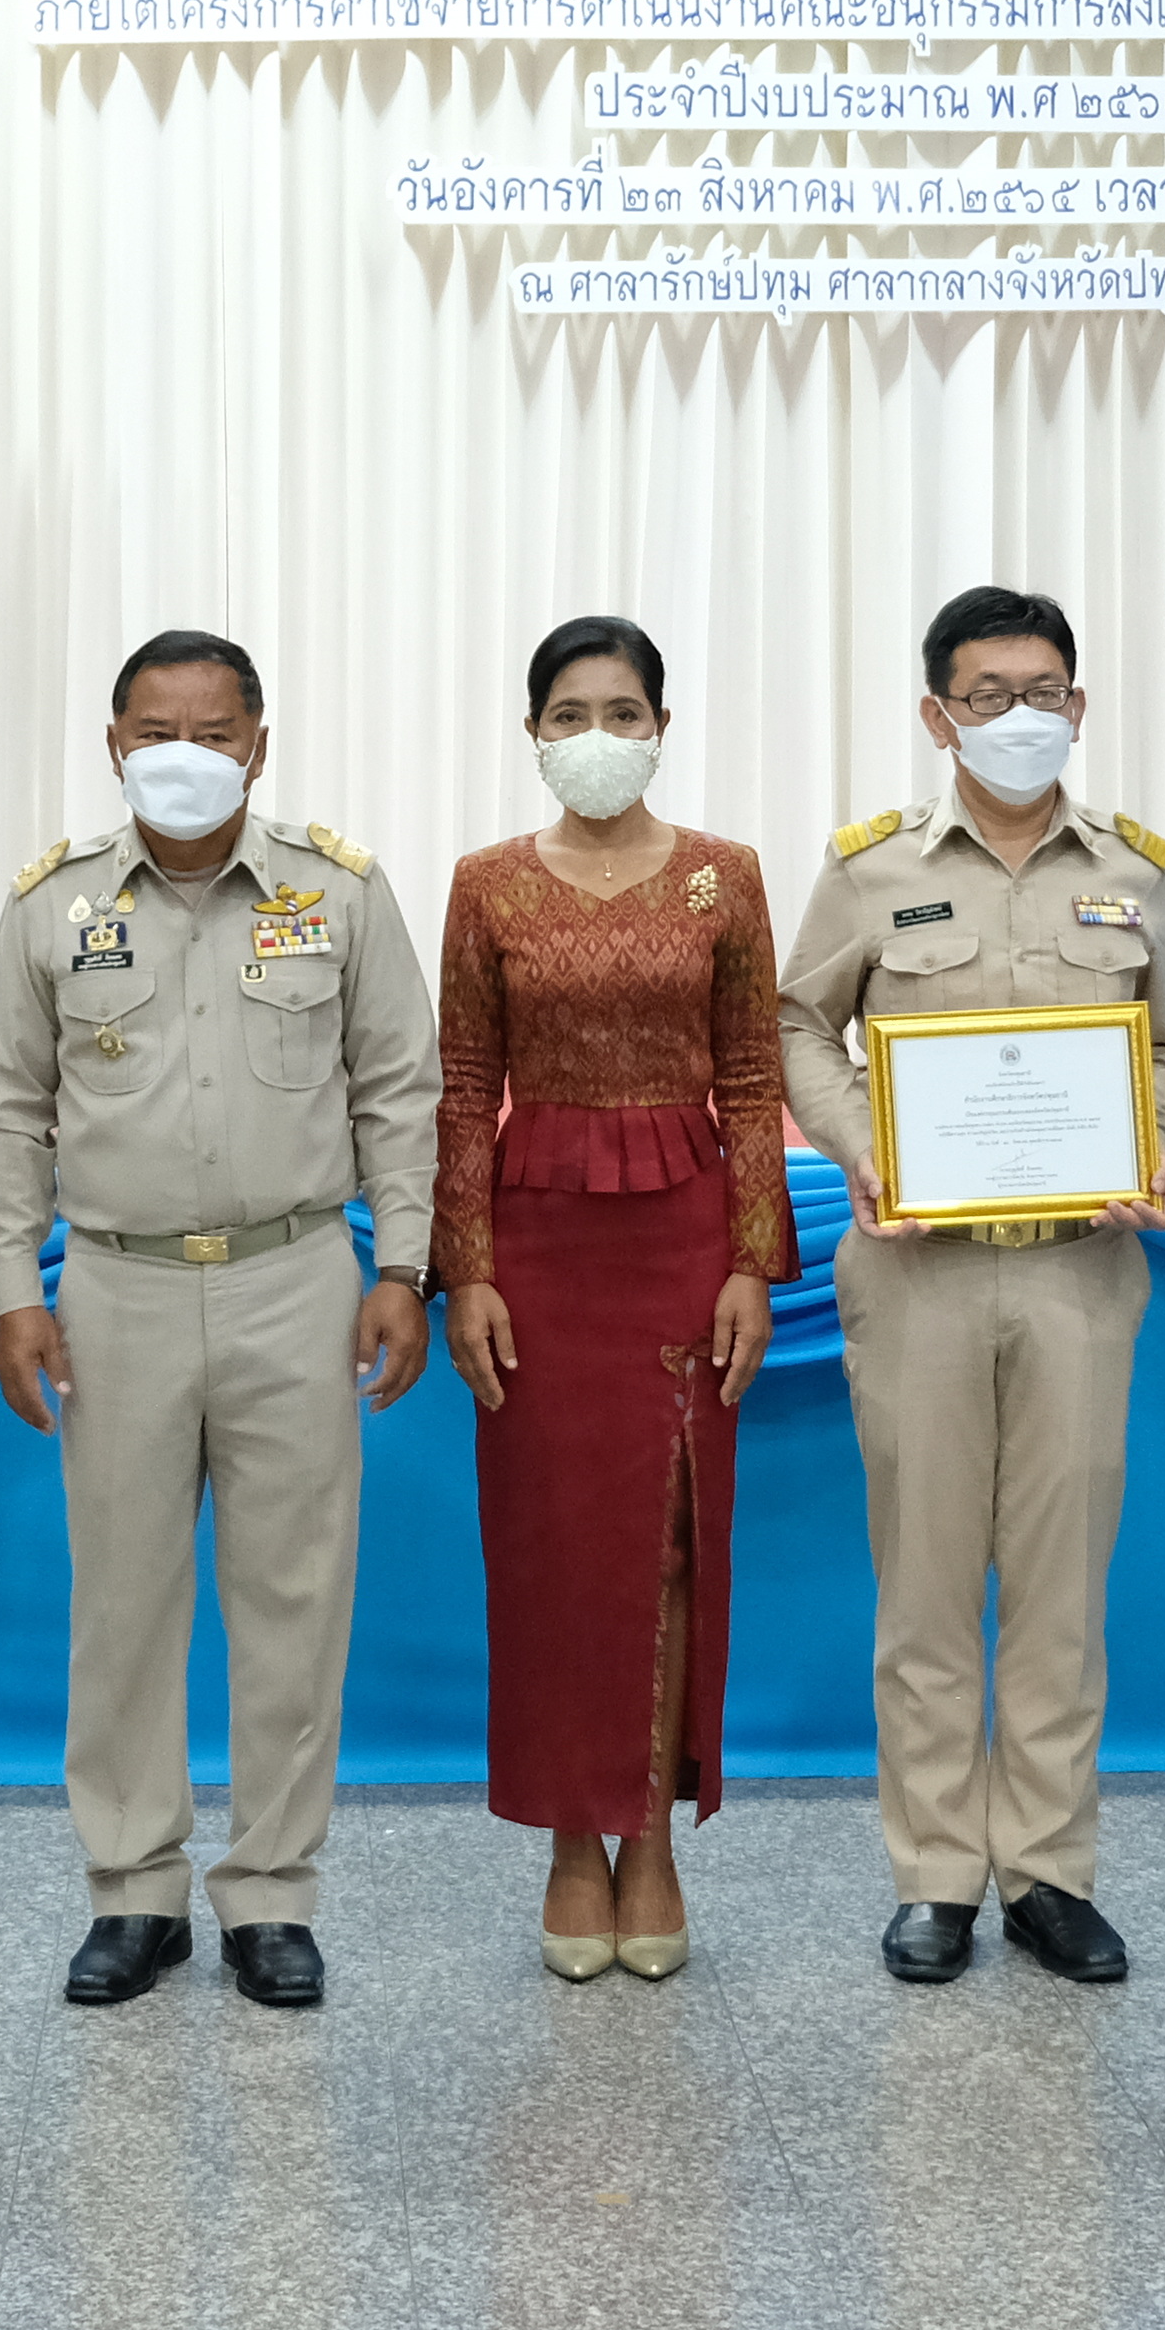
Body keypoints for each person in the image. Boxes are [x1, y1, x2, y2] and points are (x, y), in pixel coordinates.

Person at [0, 630, 441, 2011]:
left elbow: (399, 1092)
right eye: (155, 729)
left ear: (258, 744)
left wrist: (400, 1266)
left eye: (213, 729)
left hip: (298, 1276)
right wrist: (12, 1290)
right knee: (123, 1600)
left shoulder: (338, 892)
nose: (185, 751)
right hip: (113, 1284)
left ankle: (274, 1895)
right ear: (115, 746)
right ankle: (132, 1891)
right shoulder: (52, 906)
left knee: (293, 1596)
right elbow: (7, 1109)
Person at [777, 584, 1165, 1987]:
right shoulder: (872, 869)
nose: (1017, 716)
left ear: (1079, 706)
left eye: (1042, 691)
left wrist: (1148, 1139)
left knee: (1066, 1585)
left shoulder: (1135, 870)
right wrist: (860, 1147)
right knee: (929, 1582)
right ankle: (937, 1872)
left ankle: (1052, 1870)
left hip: (1082, 1271)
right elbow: (797, 1022)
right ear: (936, 712)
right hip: (920, 1275)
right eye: (985, 692)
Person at [431, 616, 793, 1982]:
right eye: (572, 711)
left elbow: (753, 1080)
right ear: (534, 732)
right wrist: (462, 1268)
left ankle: (652, 1839)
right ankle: (569, 1841)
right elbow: (466, 1084)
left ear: (661, 726)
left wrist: (754, 1257)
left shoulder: (726, 878)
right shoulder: (486, 886)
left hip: (685, 1235)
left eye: (625, 710)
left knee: (676, 1540)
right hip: (534, 1241)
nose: (599, 734)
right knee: (550, 1553)